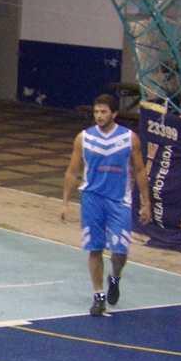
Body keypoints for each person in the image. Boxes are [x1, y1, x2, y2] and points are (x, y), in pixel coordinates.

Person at [62, 94, 151, 316]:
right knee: (95, 248)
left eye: (103, 112)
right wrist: (65, 202)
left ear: (114, 114)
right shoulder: (83, 138)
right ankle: (98, 296)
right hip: (92, 199)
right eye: (96, 112)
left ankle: (115, 277)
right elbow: (72, 171)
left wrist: (146, 202)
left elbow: (140, 170)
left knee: (119, 252)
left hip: (119, 201)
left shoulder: (130, 138)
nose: (99, 116)